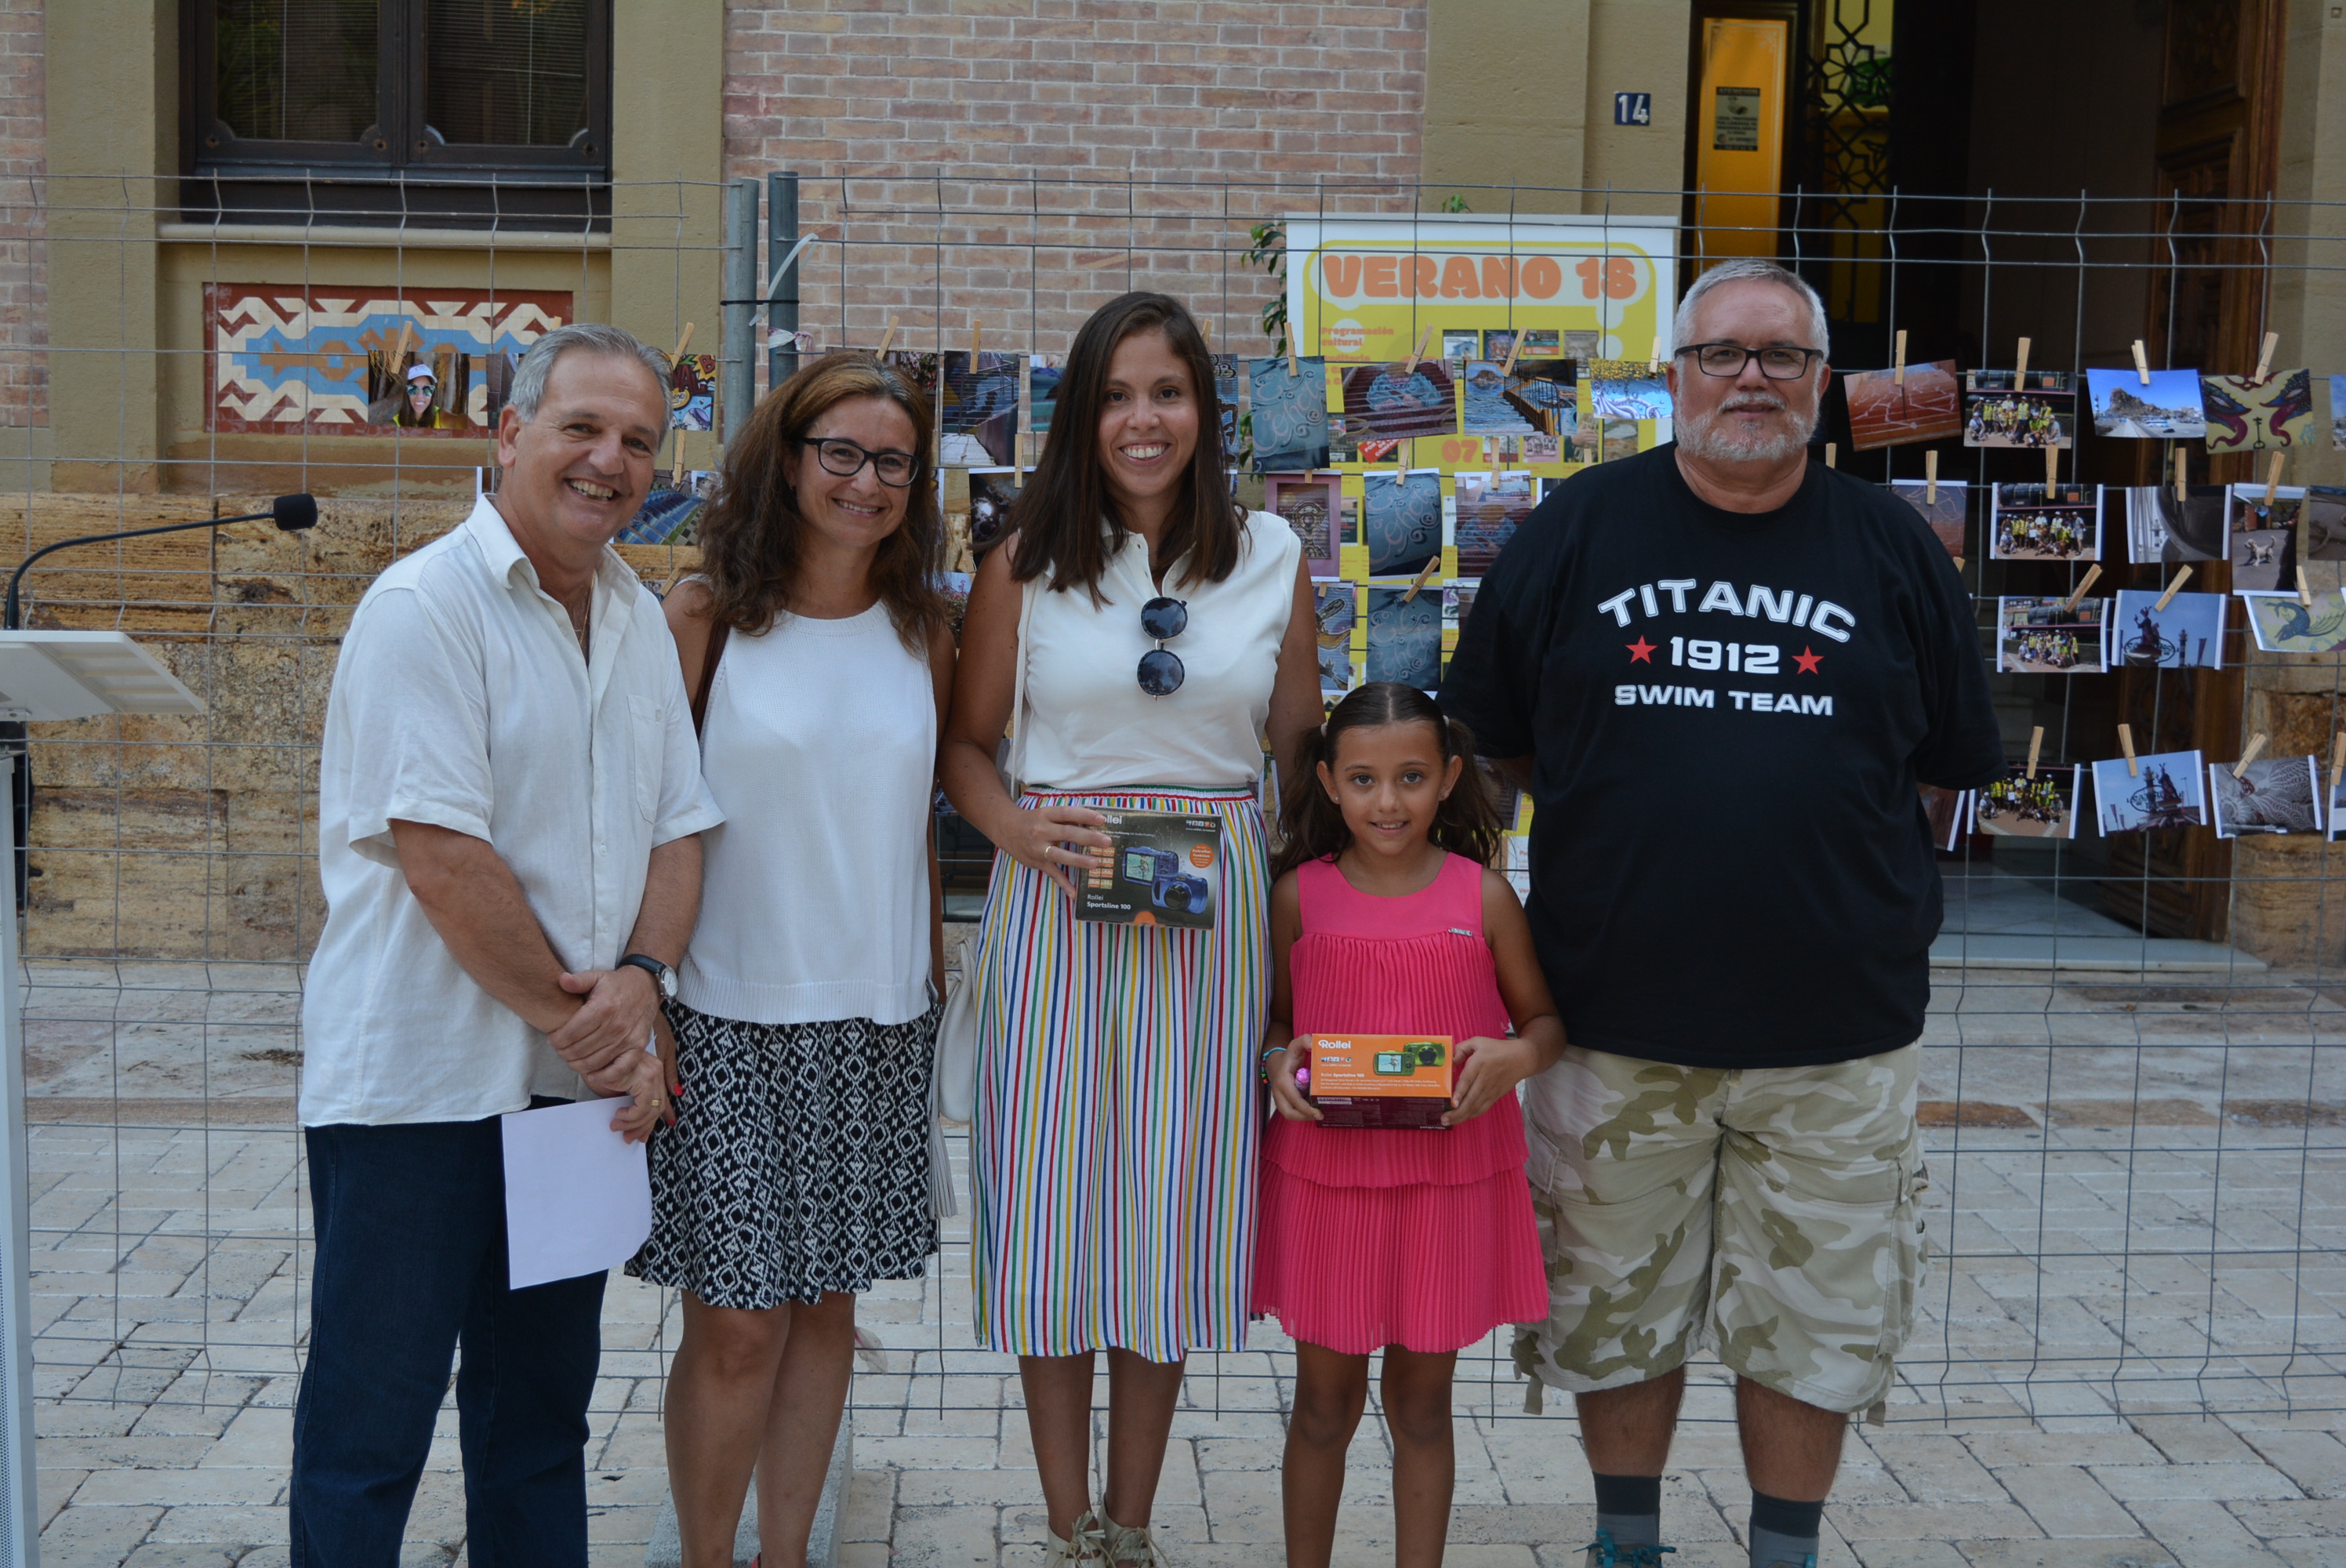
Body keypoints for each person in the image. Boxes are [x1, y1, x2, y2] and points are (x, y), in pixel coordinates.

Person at [1440, 257, 2005, 1568]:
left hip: (1837, 1033)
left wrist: (1820, 879)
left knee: (1813, 1324)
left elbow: (1943, 772)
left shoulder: (1891, 551)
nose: (1750, 379)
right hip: (1612, 1019)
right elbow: (1499, 743)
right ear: (1672, 375)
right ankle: (1624, 1547)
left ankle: (1783, 1552)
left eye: (1782, 357)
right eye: (1721, 354)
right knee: (1612, 1308)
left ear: (1822, 385)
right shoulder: (1577, 527)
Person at [292, 322, 720, 1566]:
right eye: (581, 427)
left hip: (571, 1104)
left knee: (539, 1428)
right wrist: (596, 1031)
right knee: (368, 1434)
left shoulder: (638, 617)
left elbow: (679, 832)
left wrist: (642, 990)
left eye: (639, 440)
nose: (610, 460)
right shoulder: (424, 607)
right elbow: (442, 859)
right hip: (417, 1093)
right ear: (508, 433)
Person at [940, 291, 1321, 1566]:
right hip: (1057, 905)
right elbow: (966, 744)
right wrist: (1014, 832)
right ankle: (1065, 1524)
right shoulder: (1025, 564)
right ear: (1080, 417)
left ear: (1204, 412)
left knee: (1167, 1214)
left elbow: (1303, 764)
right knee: (1053, 1207)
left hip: (1210, 921)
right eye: (1115, 395)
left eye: (1166, 393)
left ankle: (1134, 1524)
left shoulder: (1270, 555)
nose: (1142, 419)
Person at [632, 353, 955, 1568]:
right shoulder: (705, 618)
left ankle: (786, 1556)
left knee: (828, 1314)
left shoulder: (927, 629)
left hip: (876, 1019)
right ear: (787, 454)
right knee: (737, 1333)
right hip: (724, 1017)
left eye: (891, 461)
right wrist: (644, 998)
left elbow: (920, 824)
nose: (865, 481)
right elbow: (645, 823)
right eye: (841, 453)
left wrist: (930, 998)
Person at [1255, 683, 1562, 1568]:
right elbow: (1277, 1021)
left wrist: (1512, 1057)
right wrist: (1274, 1062)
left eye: (1411, 777)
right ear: (1327, 781)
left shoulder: (1486, 898)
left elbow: (1544, 1025)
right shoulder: (1297, 898)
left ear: (1450, 777)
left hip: (1448, 1183)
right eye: (1362, 779)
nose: (1387, 802)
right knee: (1321, 1403)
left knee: (1424, 1405)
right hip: (1328, 1184)